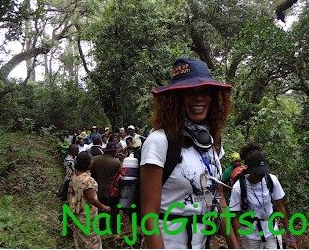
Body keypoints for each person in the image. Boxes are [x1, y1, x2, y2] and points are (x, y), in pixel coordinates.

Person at [140, 57, 238, 249]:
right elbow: (149, 216)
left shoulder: (211, 142)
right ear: (175, 100)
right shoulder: (159, 141)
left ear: (213, 98)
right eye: (188, 93)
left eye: (204, 92)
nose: (198, 98)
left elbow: (218, 200)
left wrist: (235, 246)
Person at [229, 148, 295, 249]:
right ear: (249, 169)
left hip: (271, 230)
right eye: (257, 173)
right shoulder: (239, 187)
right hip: (250, 235)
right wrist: (237, 245)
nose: (261, 176)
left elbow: (280, 208)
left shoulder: (271, 180)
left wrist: (289, 235)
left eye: (263, 173)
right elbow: (235, 218)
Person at [67, 151, 110, 248]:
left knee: (80, 238)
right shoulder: (88, 180)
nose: (93, 162)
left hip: (77, 212)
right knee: (91, 240)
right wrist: (104, 207)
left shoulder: (74, 176)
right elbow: (91, 199)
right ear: (87, 163)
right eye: (91, 160)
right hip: (87, 214)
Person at [90, 141, 121, 231]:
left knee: (101, 209)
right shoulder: (116, 162)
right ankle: (115, 229)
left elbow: (92, 174)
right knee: (115, 211)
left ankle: (102, 228)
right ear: (113, 151)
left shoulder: (95, 159)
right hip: (112, 191)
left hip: (99, 189)